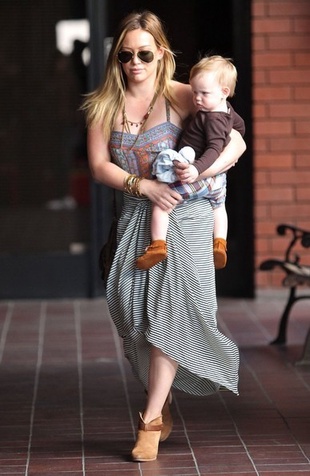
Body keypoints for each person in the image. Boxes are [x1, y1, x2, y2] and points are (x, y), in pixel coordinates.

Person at [83, 11, 246, 462]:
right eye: (126, 54)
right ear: (117, 57)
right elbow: (99, 167)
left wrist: (200, 171)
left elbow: (236, 140)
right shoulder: (101, 104)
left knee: (167, 319)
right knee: (131, 313)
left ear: (162, 55)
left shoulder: (182, 96)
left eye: (145, 53)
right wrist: (143, 185)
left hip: (188, 217)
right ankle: (164, 394)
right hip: (137, 214)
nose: (135, 62)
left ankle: (150, 418)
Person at [136, 55, 245, 271]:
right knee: (219, 207)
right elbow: (240, 129)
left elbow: (214, 149)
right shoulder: (228, 112)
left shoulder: (211, 119)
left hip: (193, 175)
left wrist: (196, 169)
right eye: (195, 92)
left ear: (224, 92)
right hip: (217, 182)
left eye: (204, 93)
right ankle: (220, 244)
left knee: (161, 205)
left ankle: (158, 245)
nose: (196, 98)